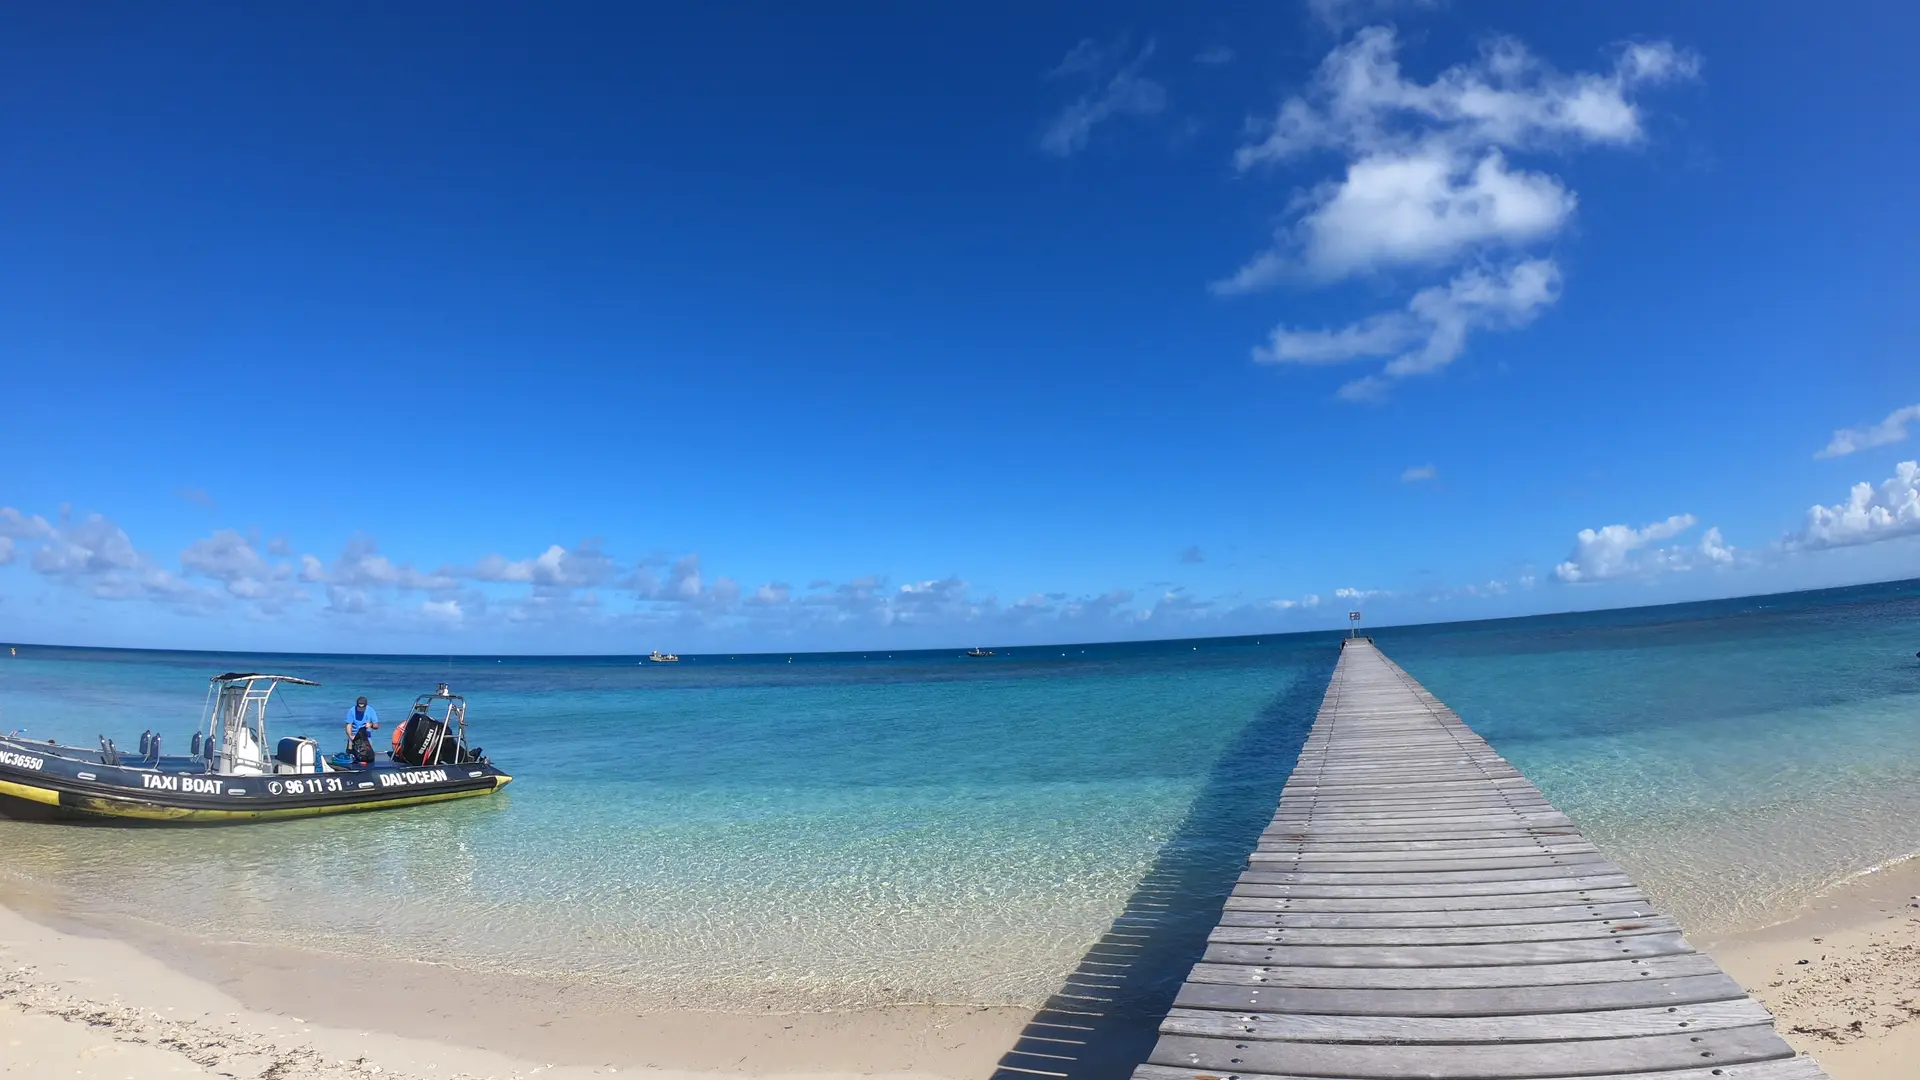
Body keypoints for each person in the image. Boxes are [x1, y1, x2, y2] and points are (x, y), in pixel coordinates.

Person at [344, 696, 380, 765]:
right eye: (359, 707)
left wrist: (371, 725)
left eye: (362, 708)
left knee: (367, 756)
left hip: (366, 738)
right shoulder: (352, 710)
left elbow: (376, 725)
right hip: (354, 736)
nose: (360, 709)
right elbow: (348, 725)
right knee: (351, 754)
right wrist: (350, 736)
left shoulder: (371, 710)